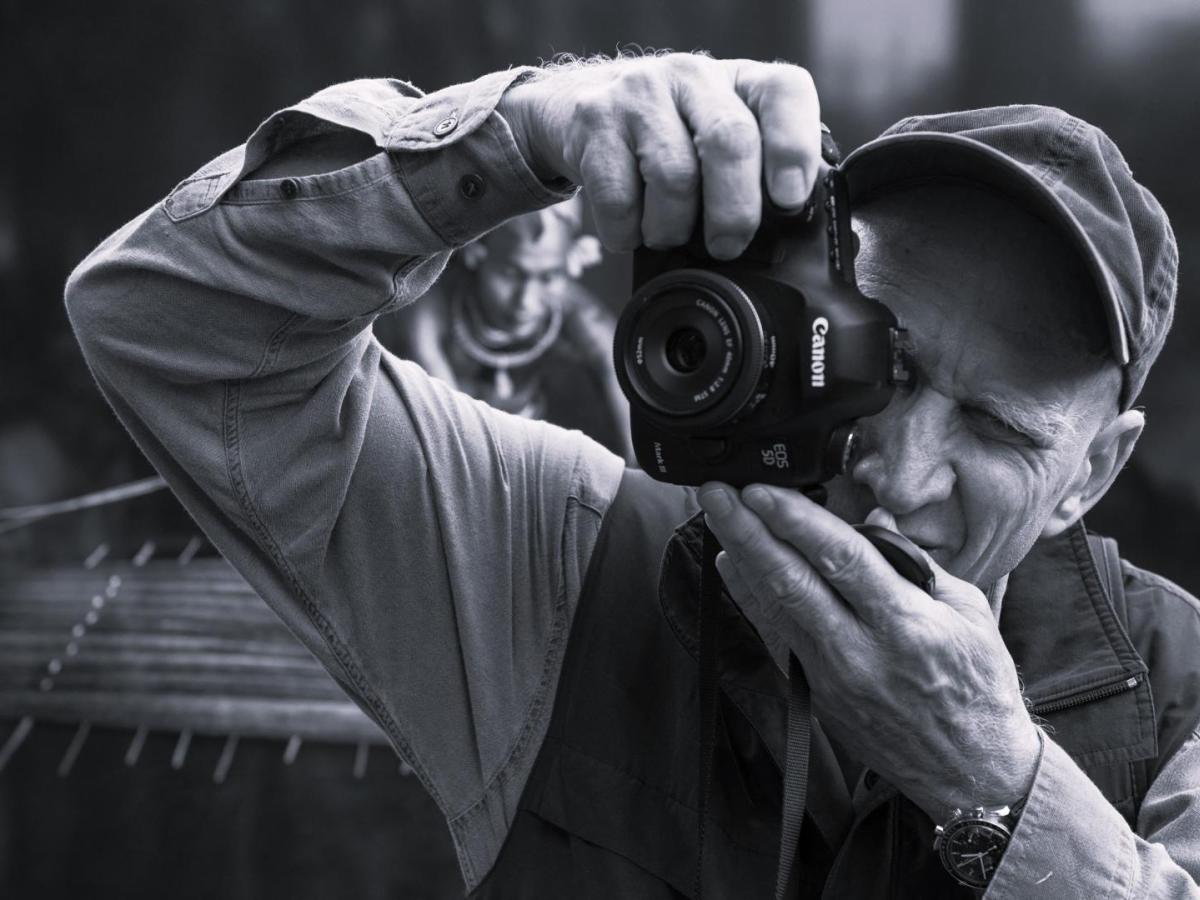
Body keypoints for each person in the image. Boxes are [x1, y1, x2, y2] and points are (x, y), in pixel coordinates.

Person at [64, 54, 1198, 897]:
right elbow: (165, 323)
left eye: (999, 431)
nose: (898, 474)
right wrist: (516, 134)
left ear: (1095, 470)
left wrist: (993, 789)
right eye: (876, 363)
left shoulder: (1186, 690)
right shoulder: (567, 557)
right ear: (803, 313)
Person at [372, 197, 635, 461]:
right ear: (477, 254)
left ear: (569, 264)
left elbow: (618, 371)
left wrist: (638, 475)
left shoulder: (578, 312)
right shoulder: (429, 309)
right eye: (510, 273)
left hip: (527, 443)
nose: (526, 300)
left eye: (548, 277)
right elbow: (452, 435)